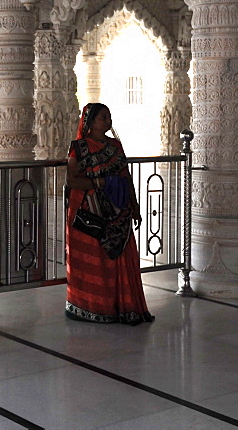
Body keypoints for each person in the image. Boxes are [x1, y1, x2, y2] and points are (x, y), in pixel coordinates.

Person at [64, 102, 154, 325]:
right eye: (103, 117)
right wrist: (101, 182)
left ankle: (122, 307)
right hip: (90, 213)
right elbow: (72, 180)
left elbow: (126, 177)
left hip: (118, 212)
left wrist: (134, 207)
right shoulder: (79, 147)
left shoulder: (115, 147)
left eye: (109, 117)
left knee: (118, 260)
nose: (108, 121)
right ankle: (90, 307)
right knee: (93, 260)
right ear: (90, 122)